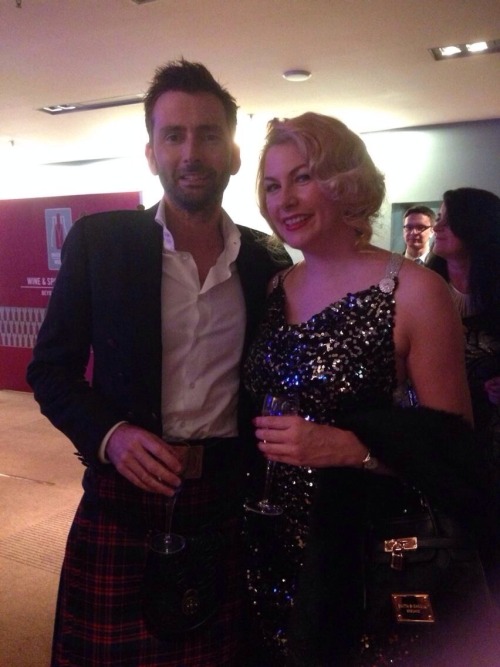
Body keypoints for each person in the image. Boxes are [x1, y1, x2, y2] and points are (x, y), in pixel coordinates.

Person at [26, 59, 290, 666]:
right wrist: (110, 437)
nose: (191, 151)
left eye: (208, 134)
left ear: (232, 152)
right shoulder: (100, 243)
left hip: (227, 503)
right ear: (151, 152)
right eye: (174, 135)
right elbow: (51, 370)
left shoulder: (266, 260)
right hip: (123, 501)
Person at [242, 113, 499, 665]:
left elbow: (456, 452)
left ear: (344, 183)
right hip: (263, 538)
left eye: (303, 177)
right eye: (271, 184)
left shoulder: (413, 290)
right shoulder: (273, 284)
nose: (284, 198)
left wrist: (349, 449)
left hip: (358, 549)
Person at [427, 187, 500, 514]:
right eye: (439, 218)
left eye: (448, 220)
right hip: (439, 436)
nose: (437, 227)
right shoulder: (421, 288)